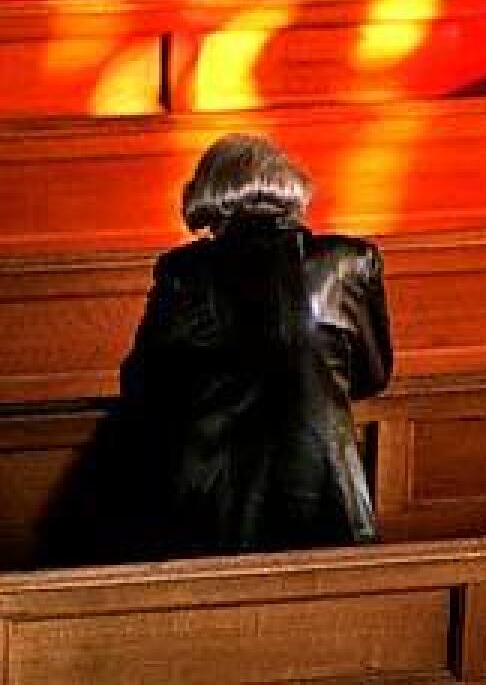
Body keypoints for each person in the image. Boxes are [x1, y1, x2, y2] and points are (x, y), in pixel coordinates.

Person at [43, 134, 393, 565]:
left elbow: (143, 385)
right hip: (325, 497)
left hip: (210, 507)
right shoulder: (351, 262)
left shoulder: (184, 271)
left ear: (209, 194)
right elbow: (373, 375)